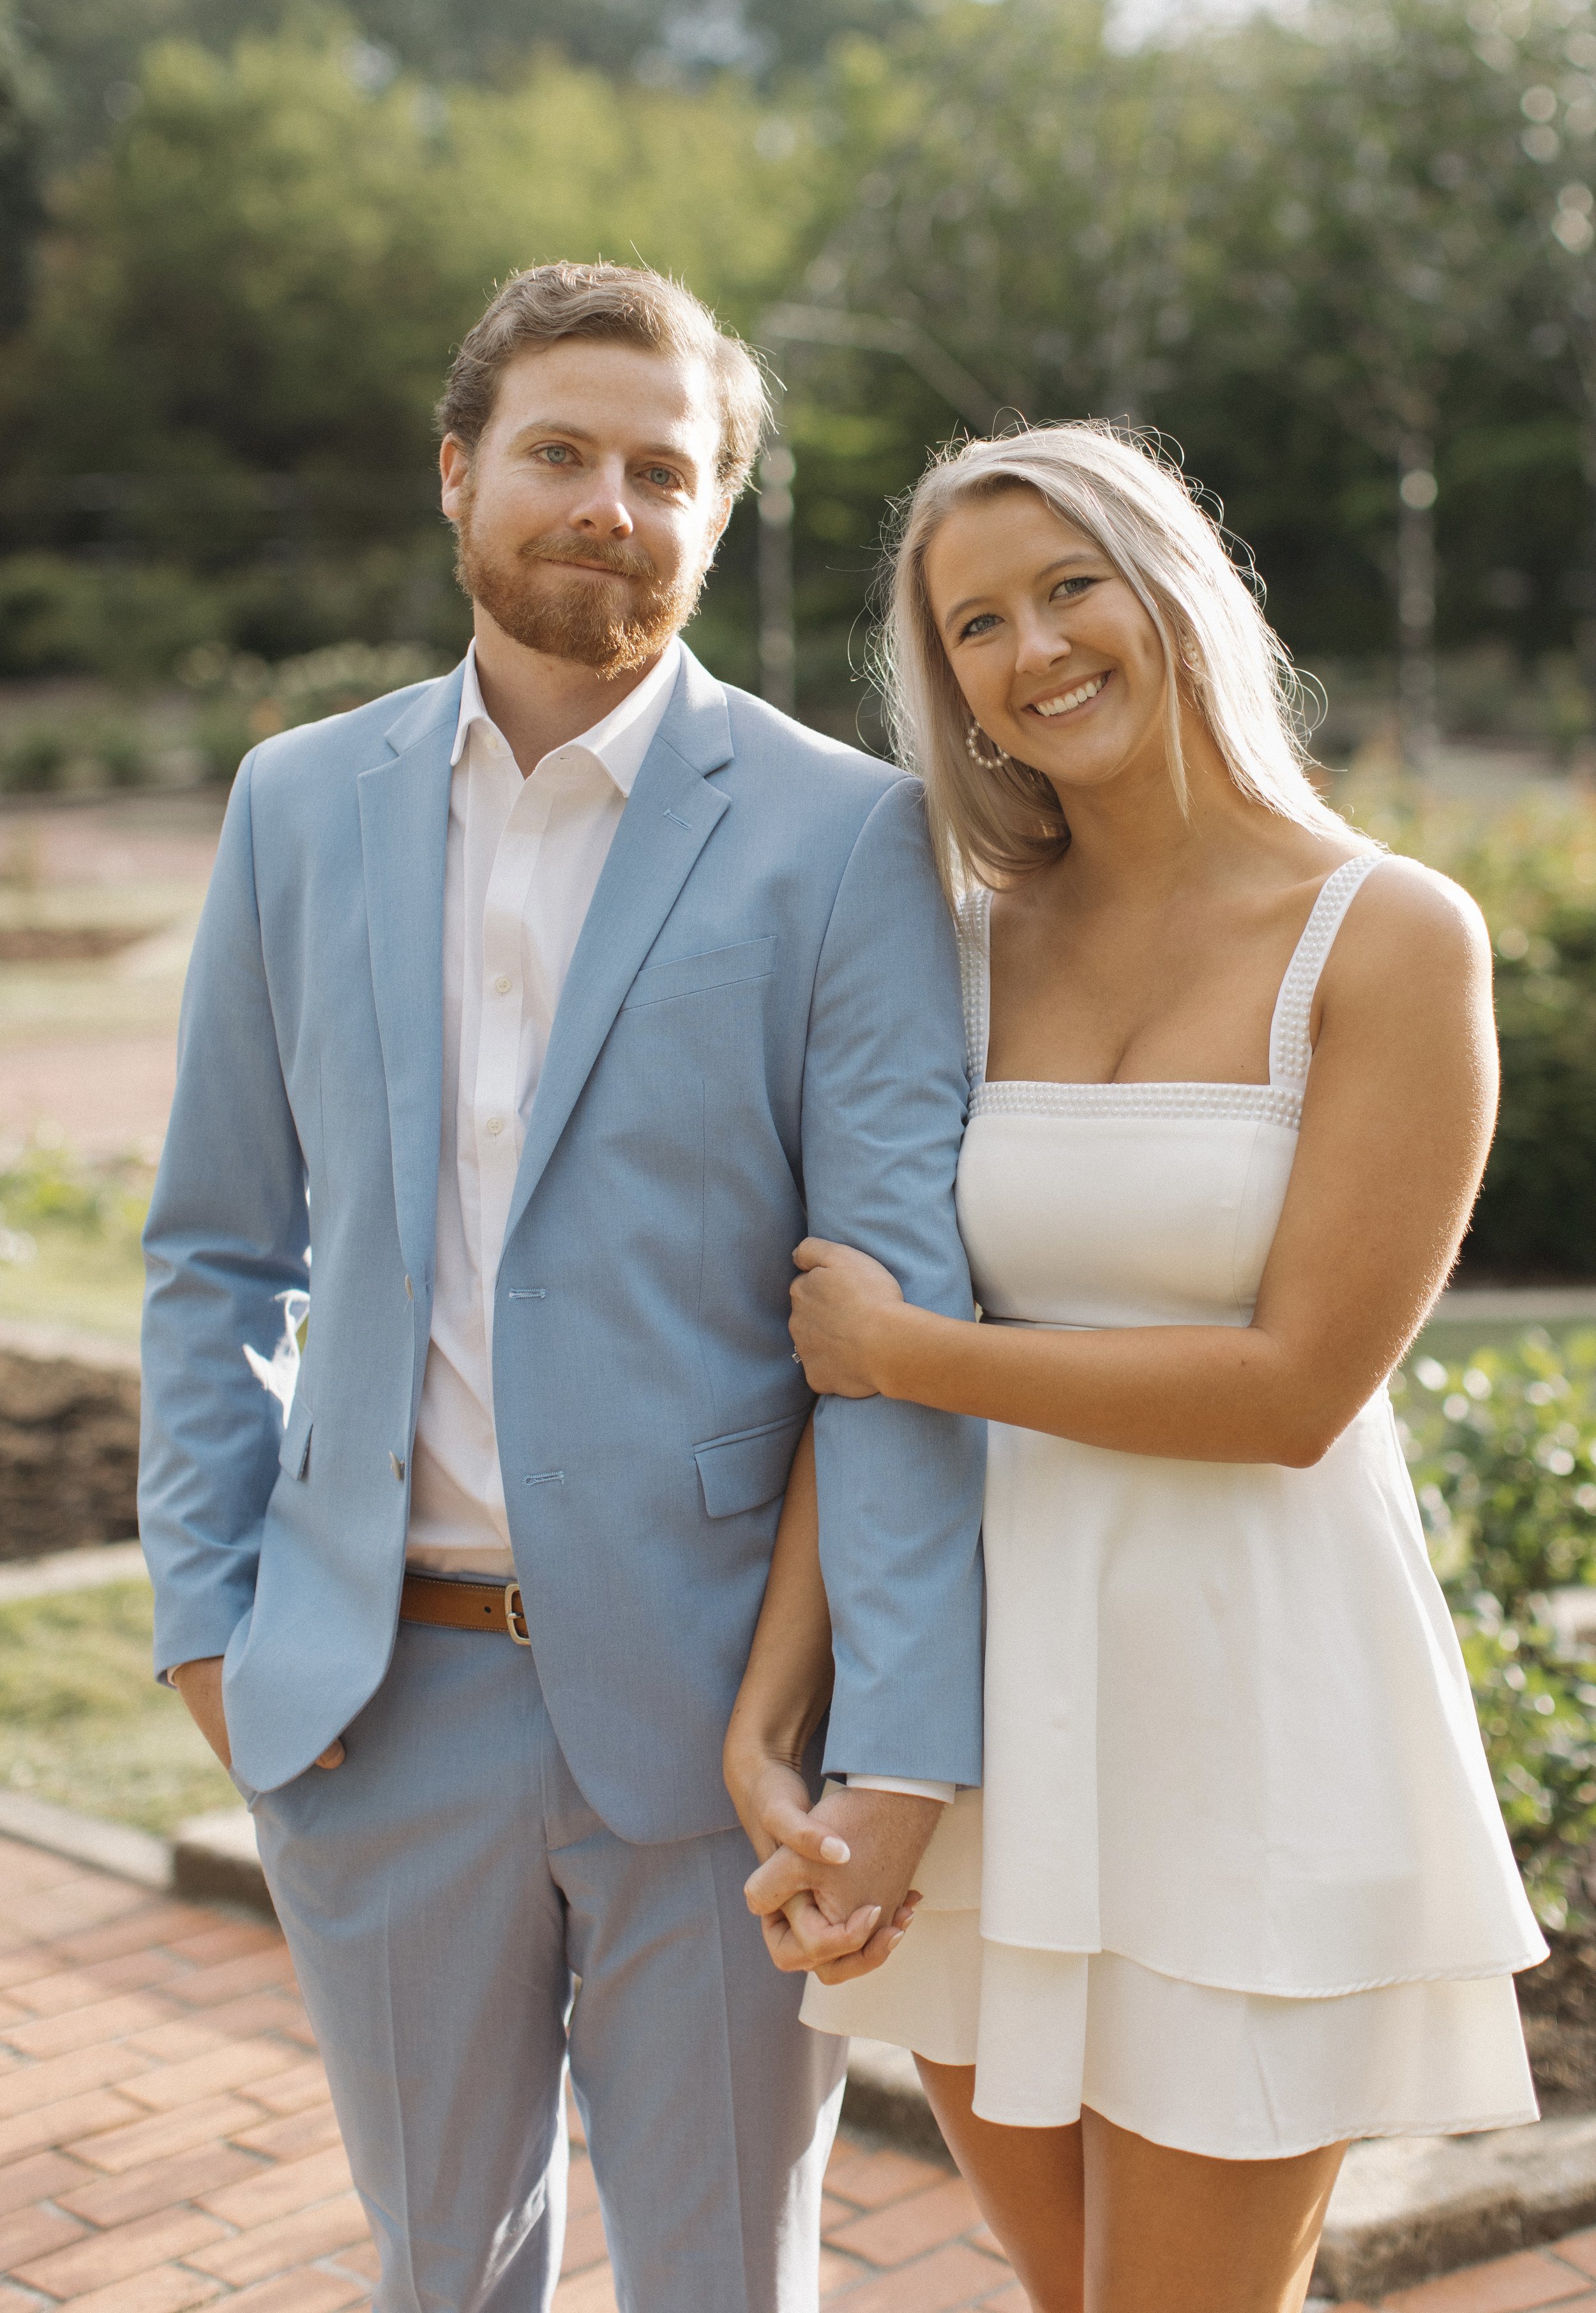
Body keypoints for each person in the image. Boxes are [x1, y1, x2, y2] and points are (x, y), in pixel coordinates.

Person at [137, 259, 986, 2313]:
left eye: (661, 469)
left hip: (717, 1724)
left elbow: (896, 1325)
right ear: (458, 474)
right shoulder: (295, 805)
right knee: (447, 2273)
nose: (607, 502)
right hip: (369, 1700)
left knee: (719, 2277)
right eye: (559, 453)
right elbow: (214, 1248)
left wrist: (890, 1741)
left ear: (714, 513)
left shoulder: (846, 833)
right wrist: (206, 1622)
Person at [728, 421, 1546, 2313]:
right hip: (978, 1723)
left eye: (1068, 585)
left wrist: (917, 1348)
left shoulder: (1390, 937)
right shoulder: (947, 945)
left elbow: (1290, 1397)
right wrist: (778, 1720)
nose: (1032, 650)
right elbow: (850, 1392)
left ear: (1175, 588)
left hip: (1250, 1716)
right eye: (975, 626)